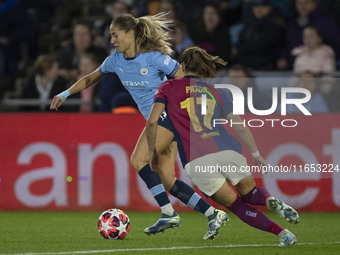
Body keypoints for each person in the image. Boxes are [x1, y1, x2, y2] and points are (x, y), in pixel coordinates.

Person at [50, 13, 228, 239]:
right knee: (168, 180)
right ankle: (213, 214)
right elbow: (90, 78)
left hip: (168, 116)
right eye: (111, 36)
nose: (113, 40)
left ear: (130, 34)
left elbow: (184, 78)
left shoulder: (154, 58)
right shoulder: (115, 60)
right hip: (156, 120)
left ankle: (167, 212)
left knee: (138, 159)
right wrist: (65, 93)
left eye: (116, 35)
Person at [146, 46, 300, 246]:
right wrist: (256, 153)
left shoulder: (168, 87)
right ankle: (270, 200)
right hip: (228, 150)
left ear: (182, 66)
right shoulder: (215, 91)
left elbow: (151, 122)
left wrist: (152, 152)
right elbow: (240, 126)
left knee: (237, 206)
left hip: (197, 159)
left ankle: (284, 234)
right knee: (251, 193)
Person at [277, 0, 340, 70]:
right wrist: (284, 57)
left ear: (315, 4)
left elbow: (336, 45)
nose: (302, 6)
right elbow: (287, 44)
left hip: (319, 71)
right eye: (299, 3)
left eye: (307, 2)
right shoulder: (292, 23)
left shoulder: (326, 23)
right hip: (295, 69)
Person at [235, 0, 286, 70]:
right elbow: (242, 39)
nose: (258, 9)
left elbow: (260, 46)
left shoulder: (275, 23)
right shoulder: (250, 22)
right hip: (247, 66)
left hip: (267, 68)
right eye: (255, 6)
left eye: (263, 6)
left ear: (270, 7)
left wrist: (239, 49)